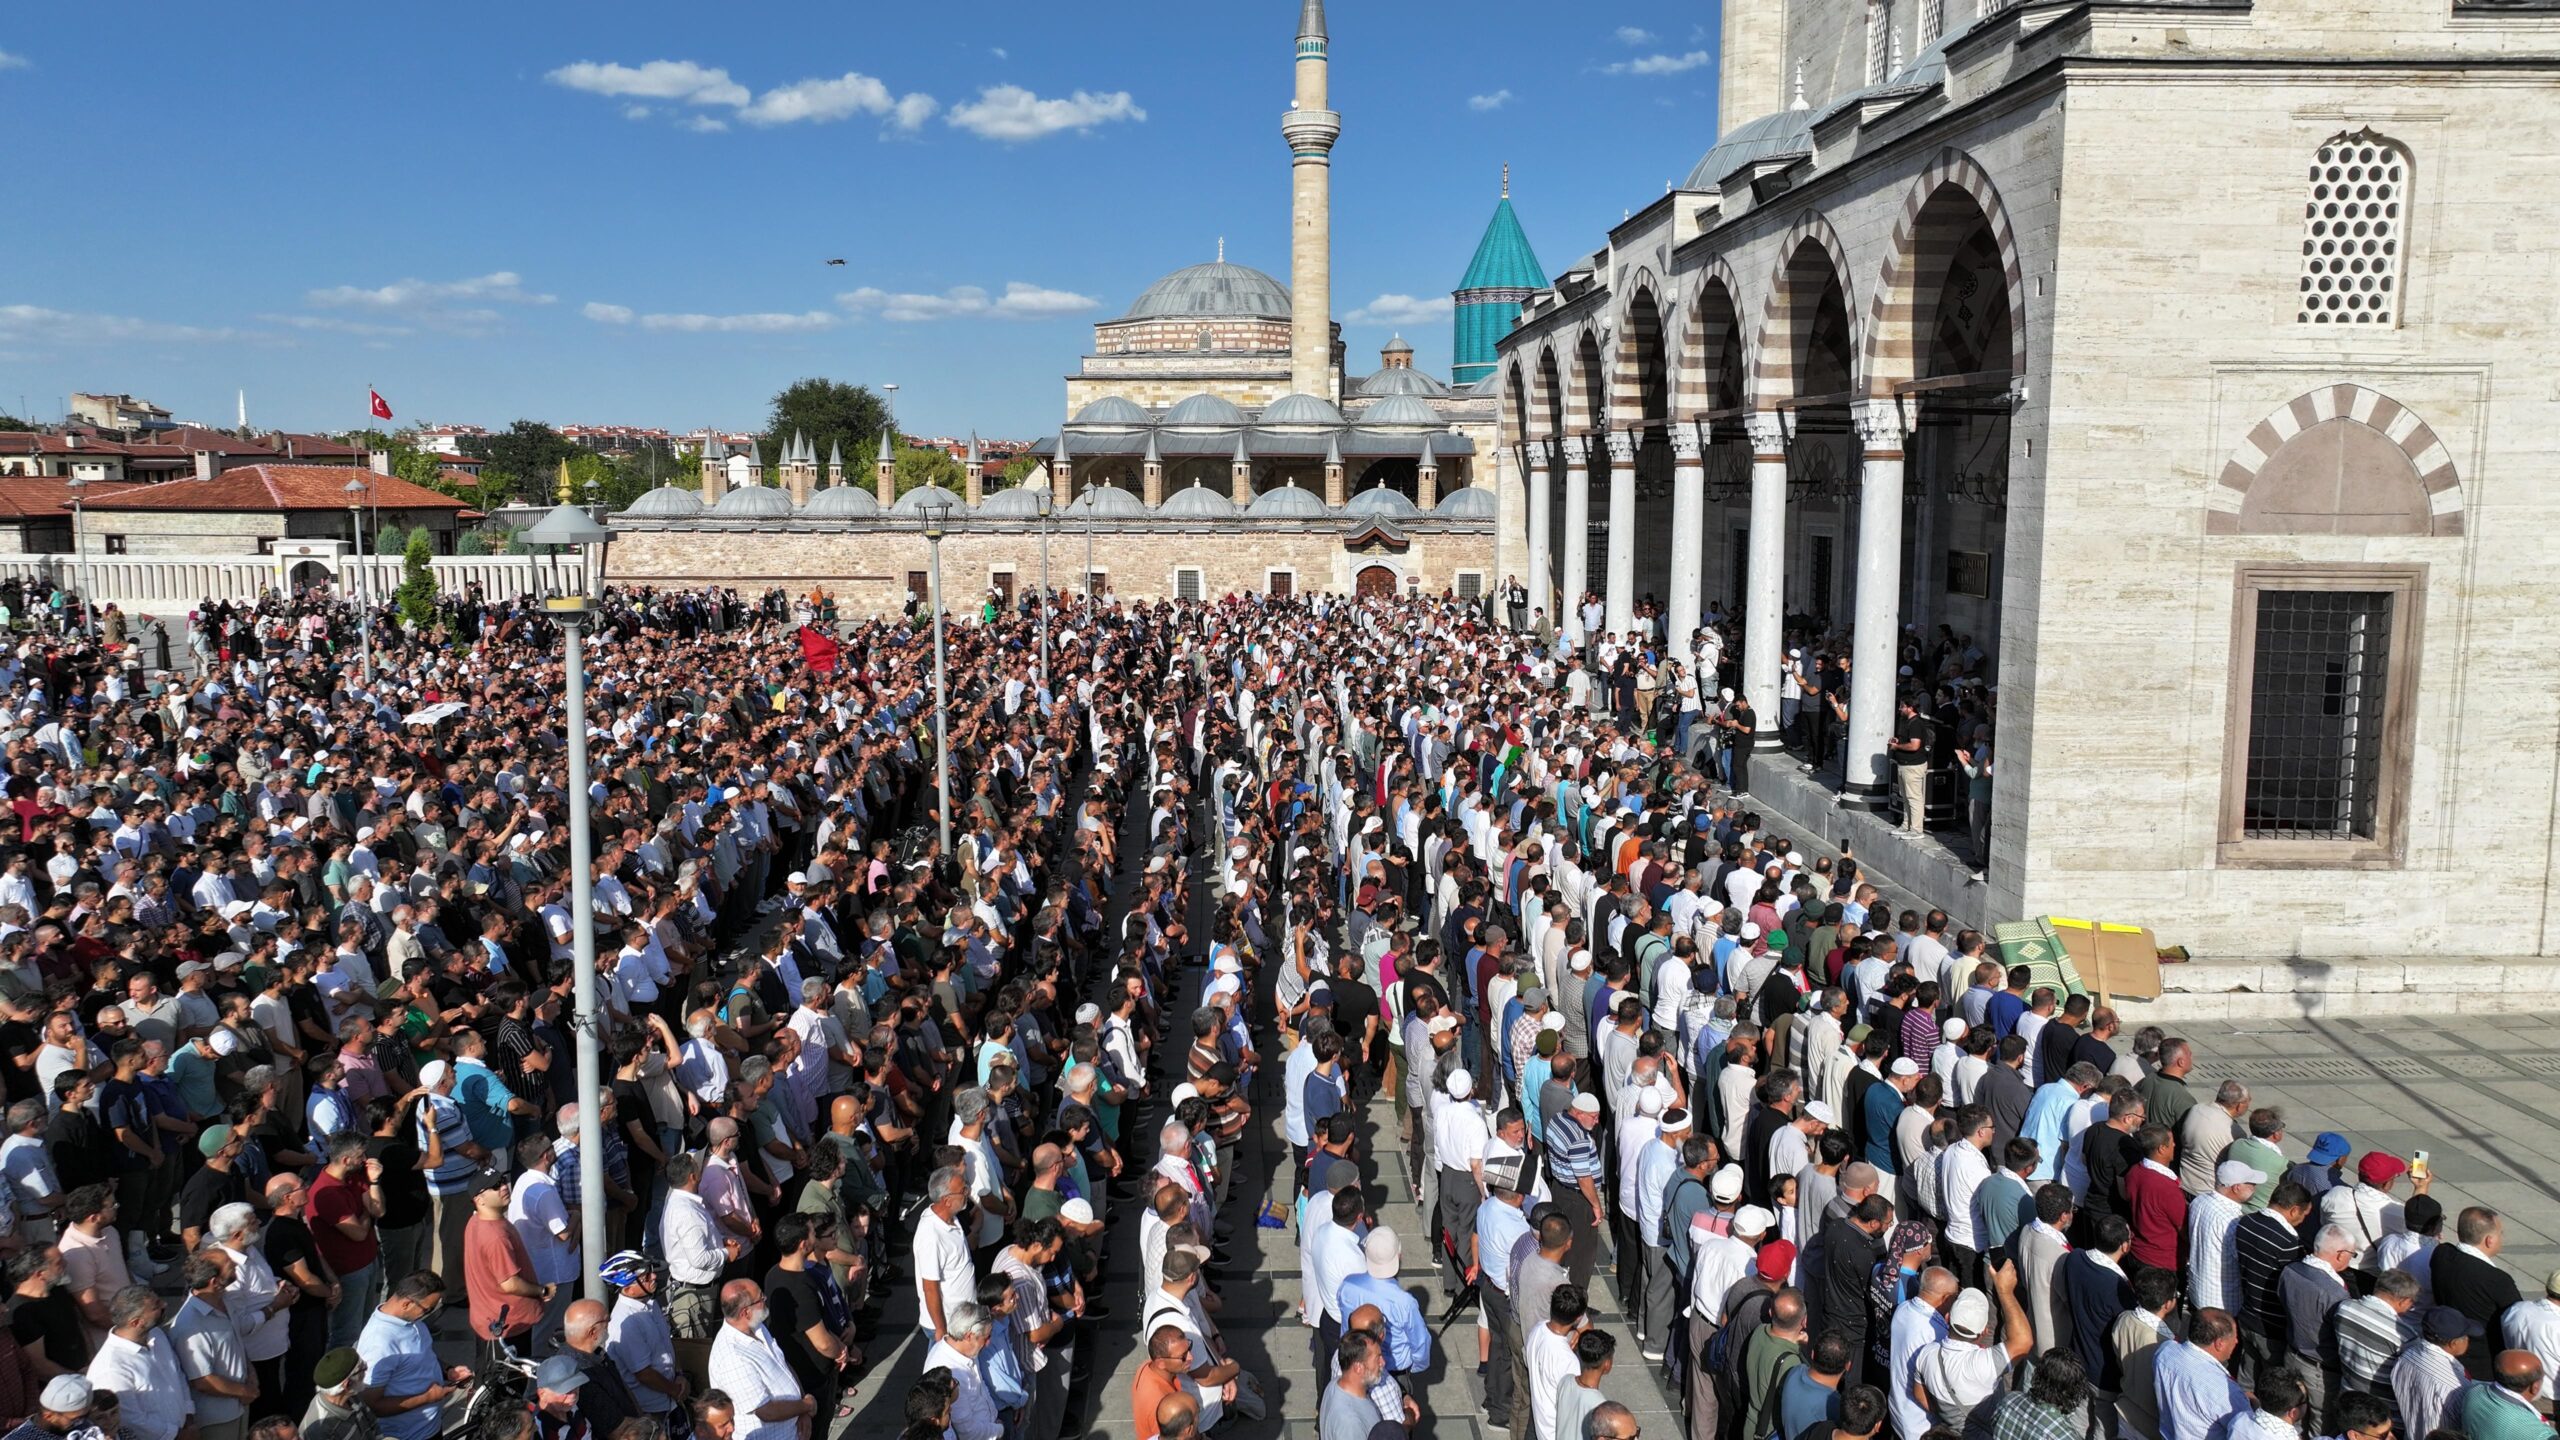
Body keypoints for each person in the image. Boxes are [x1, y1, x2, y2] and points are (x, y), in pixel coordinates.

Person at [353, 1272, 468, 1440]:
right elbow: (373, 1404)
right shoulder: (379, 1344)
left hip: (430, 1425)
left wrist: (448, 1370)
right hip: (410, 1434)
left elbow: (424, 1354)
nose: (428, 1314)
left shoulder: (408, 1320)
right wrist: (428, 1397)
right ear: (407, 1304)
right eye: (427, 1309)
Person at [704, 1281, 814, 1440]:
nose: (765, 1299)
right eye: (761, 1298)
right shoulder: (733, 1358)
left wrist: (802, 1408)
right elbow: (766, 1411)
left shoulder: (756, 1326)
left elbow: (781, 1364)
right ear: (745, 1312)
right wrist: (807, 1405)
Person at [85, 1286, 193, 1440]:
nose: (165, 1305)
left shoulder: (156, 1335)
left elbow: (177, 1375)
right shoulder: (112, 1368)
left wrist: (189, 1417)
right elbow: (131, 1420)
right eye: (156, 1306)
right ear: (136, 1322)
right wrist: (176, 1435)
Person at [173, 1253, 259, 1440]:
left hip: (239, 1406)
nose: (235, 1263)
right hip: (217, 1419)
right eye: (229, 1264)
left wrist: (251, 1374)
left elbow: (237, 1342)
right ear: (215, 1281)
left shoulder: (225, 1300)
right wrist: (246, 1391)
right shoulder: (190, 1324)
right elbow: (203, 1380)